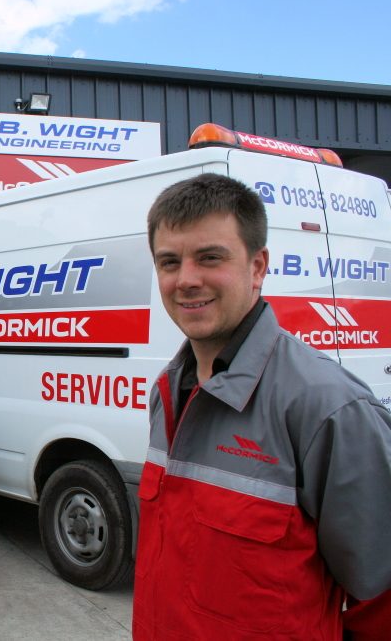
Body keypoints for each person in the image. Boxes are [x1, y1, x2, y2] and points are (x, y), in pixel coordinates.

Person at [133, 173, 391, 640]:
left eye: (210, 257)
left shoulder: (329, 408)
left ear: (257, 266)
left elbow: (382, 596)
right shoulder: (168, 392)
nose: (186, 280)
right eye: (169, 262)